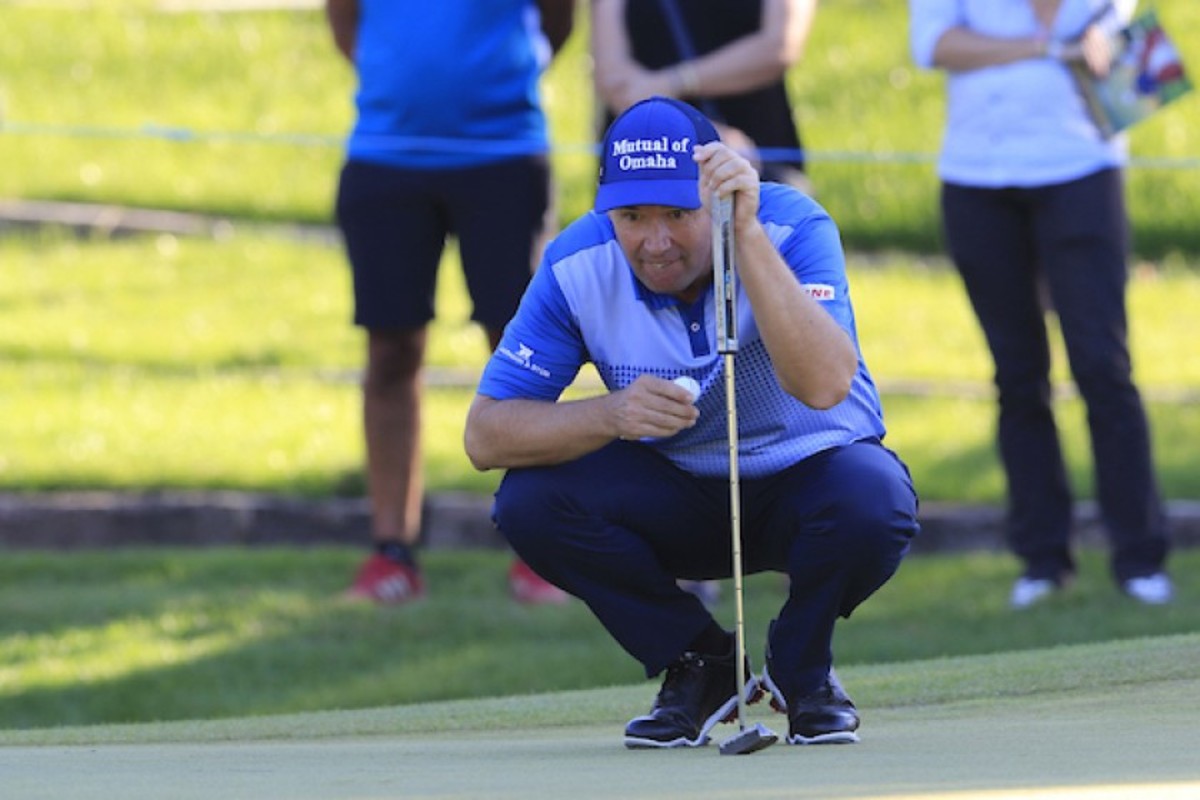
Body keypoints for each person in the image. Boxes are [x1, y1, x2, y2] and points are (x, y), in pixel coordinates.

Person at [463, 97, 919, 748]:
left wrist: (749, 237)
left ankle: (802, 668)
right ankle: (703, 665)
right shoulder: (577, 263)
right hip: (675, 491)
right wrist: (611, 414)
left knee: (875, 497)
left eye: (677, 214)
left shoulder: (793, 228)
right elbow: (485, 436)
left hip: (810, 480)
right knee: (529, 501)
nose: (654, 241)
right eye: (631, 217)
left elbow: (823, 384)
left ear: (715, 198)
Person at [908, 0, 1172, 608]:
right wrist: (1047, 48)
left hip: (1081, 167)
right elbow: (936, 44)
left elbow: (1122, 24)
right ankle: (1043, 560)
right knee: (1018, 374)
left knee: (1103, 366)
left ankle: (1139, 557)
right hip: (977, 177)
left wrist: (1100, 32)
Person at [325, 0, 576, 605]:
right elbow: (344, 20)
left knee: (521, 349)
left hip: (505, 154)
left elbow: (559, 18)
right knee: (390, 353)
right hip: (385, 155)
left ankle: (543, 553)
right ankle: (392, 554)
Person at [591, 0, 816, 192]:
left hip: (756, 151)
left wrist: (676, 81)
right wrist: (697, 133)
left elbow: (779, 46)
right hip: (646, 157)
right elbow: (613, 76)